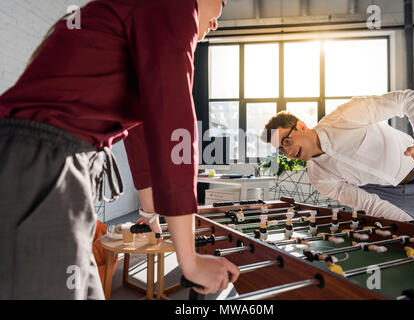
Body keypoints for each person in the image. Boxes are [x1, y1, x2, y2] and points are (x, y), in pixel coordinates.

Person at [0, 0, 239, 299]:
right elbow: (173, 120)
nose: (216, 22)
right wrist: (188, 259)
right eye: (222, 3)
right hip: (41, 160)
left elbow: (143, 131)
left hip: (49, 160)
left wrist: (149, 214)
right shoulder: (174, 4)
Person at [261, 90, 414, 230]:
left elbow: (413, 99)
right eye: (281, 150)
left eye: (287, 141)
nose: (288, 151)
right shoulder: (319, 178)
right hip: (389, 198)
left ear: (301, 126)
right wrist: (409, 225)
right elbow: (368, 203)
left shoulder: (346, 115)